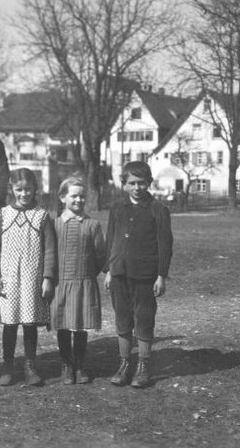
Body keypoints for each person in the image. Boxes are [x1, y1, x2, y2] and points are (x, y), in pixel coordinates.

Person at [103, 160, 173, 389]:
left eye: (141, 183)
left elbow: (165, 244)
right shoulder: (117, 209)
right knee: (123, 319)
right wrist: (108, 271)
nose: (137, 188)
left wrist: (161, 275)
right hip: (119, 273)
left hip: (145, 276)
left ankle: (143, 365)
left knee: (143, 319)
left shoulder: (158, 210)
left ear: (149, 183)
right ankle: (124, 364)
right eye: (132, 183)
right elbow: (110, 239)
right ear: (124, 184)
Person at [0, 168, 57, 387]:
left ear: (35, 189)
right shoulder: (3, 214)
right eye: (19, 189)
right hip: (8, 277)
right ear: (12, 190)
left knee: (28, 323)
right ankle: (8, 364)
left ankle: (29, 365)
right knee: (9, 323)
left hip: (31, 276)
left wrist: (47, 277)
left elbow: (50, 250)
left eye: (28, 189)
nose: (24, 194)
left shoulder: (42, 215)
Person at [51, 173, 106, 385]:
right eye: (73, 196)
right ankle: (66, 365)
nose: (78, 200)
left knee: (81, 325)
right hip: (61, 284)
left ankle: (80, 364)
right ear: (62, 198)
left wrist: (89, 274)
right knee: (63, 324)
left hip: (84, 282)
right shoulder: (54, 224)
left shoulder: (92, 225)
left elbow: (101, 254)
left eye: (82, 196)